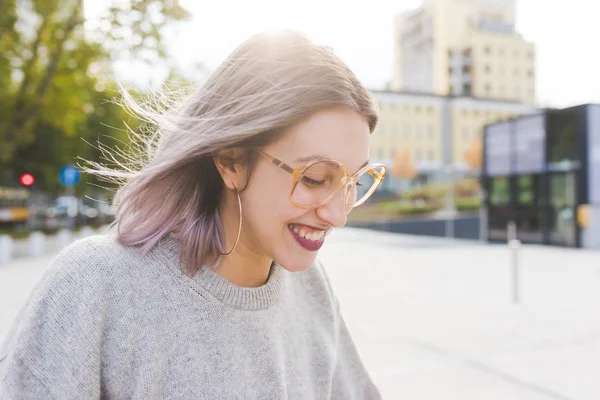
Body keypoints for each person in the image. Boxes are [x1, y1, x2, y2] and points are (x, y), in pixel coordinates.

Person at [0, 30, 386, 399]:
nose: (338, 215)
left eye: (354, 181)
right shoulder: (95, 285)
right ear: (231, 161)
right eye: (316, 178)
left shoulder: (311, 288)